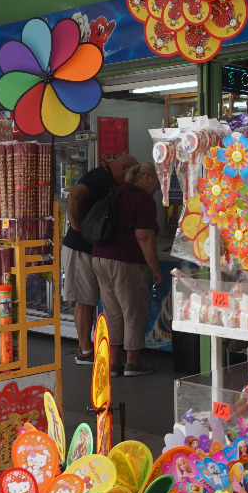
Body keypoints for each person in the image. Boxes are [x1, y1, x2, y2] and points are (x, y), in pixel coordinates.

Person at [63, 153, 137, 364]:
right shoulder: (99, 177)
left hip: (91, 248)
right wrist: (77, 227)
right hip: (80, 248)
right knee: (84, 300)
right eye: (130, 175)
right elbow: (74, 195)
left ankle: (88, 347)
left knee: (89, 299)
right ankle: (84, 351)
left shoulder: (108, 180)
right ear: (123, 167)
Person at [92, 161, 164, 376]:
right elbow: (144, 236)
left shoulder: (115, 193)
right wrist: (155, 269)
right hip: (125, 261)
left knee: (112, 311)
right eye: (157, 184)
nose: (157, 190)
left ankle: (114, 363)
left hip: (100, 257)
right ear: (147, 178)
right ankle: (132, 362)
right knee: (134, 310)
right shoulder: (142, 200)